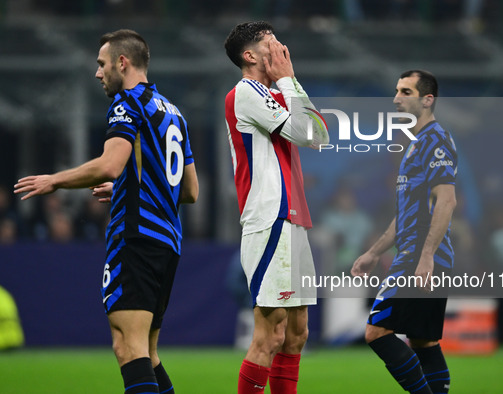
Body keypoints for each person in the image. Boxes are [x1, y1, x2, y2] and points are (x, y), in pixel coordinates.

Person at [14, 29, 199, 394]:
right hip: (168, 243)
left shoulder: (127, 103)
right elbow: (190, 190)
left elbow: (109, 164)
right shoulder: (173, 113)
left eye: (101, 64)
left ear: (122, 62)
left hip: (136, 239)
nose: (98, 73)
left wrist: (56, 180)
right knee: (147, 351)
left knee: (127, 347)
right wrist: (130, 188)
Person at [224, 21, 329, 394]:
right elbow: (303, 132)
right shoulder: (246, 92)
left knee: (296, 334)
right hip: (269, 218)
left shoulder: (275, 93)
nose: (282, 51)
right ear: (250, 56)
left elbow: (318, 136)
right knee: (270, 334)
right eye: (273, 45)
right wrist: (288, 79)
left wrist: (289, 81)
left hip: (293, 219)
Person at [351, 70, 457, 394]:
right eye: (397, 91)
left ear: (428, 99)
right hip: (420, 252)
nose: (396, 98)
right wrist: (373, 252)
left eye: (406, 92)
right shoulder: (417, 142)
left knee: (376, 332)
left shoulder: (435, 140)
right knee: (423, 341)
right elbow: (406, 213)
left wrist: (425, 257)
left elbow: (447, 201)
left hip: (419, 256)